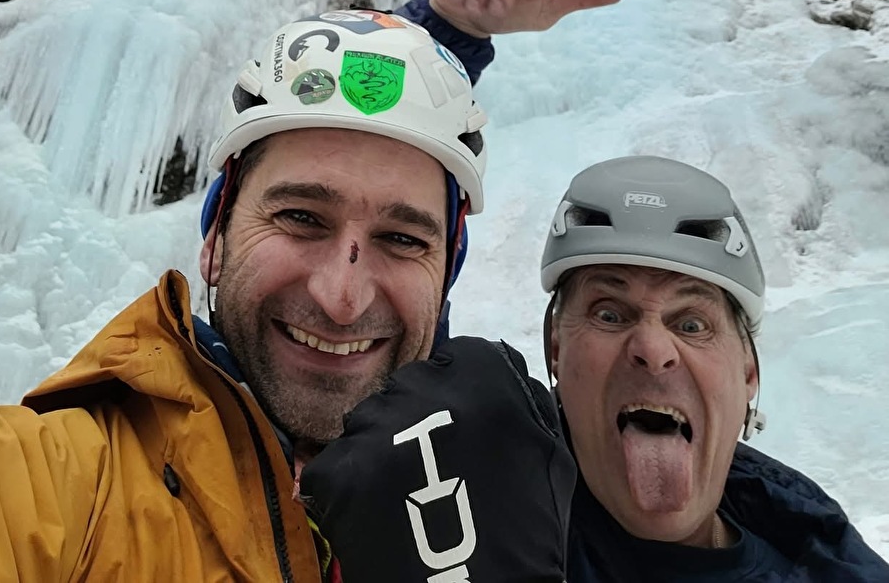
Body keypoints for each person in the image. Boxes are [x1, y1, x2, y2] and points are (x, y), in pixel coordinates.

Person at [0, 0, 620, 581]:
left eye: (403, 240)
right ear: (214, 240)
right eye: (300, 219)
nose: (342, 296)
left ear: (445, 278)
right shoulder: (40, 481)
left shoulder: (522, 498)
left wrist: (445, 41)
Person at [302, 155, 889, 581]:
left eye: (692, 324)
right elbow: (372, 331)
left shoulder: (835, 568)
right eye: (610, 314)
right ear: (555, 348)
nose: (653, 349)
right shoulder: (452, 493)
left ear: (748, 374)